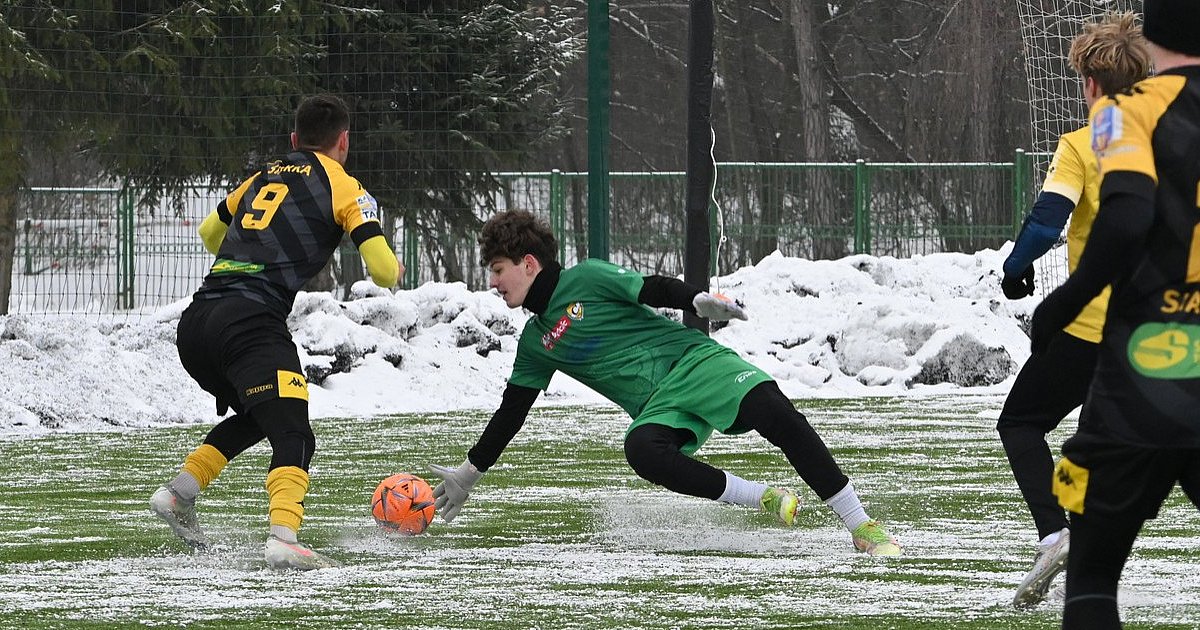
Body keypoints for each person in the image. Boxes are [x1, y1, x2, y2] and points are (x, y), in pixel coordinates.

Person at [428, 210, 902, 556]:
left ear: (528, 264)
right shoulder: (535, 341)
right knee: (643, 450)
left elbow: (650, 287)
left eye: (497, 269)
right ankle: (763, 497)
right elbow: (512, 411)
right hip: (660, 406)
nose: (492, 282)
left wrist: (696, 299)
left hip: (694, 363)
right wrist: (469, 474)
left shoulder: (587, 277)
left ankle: (862, 526)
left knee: (778, 415)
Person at [149, 94, 401, 570]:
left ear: (294, 139)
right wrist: (394, 266)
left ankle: (179, 494)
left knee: (260, 412)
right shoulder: (344, 185)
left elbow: (208, 234)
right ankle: (284, 538)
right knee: (294, 433)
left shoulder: (262, 175)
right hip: (249, 323)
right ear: (343, 141)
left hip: (198, 323)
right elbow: (384, 272)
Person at [1027, 0, 1200, 626]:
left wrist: (1061, 302)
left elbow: (1127, 216)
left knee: (1095, 575)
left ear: (1151, 32)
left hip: (1146, 370)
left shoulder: (1121, 114)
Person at [995, 13, 1151, 608]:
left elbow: (1045, 222)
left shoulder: (1085, 144)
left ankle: (1055, 534)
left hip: (1091, 326)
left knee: (1021, 424)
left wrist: (1015, 270)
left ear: (1089, 82)